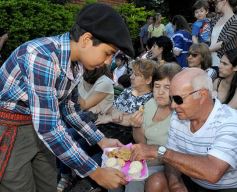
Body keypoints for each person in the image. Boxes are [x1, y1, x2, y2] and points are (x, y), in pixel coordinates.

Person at [0, 3, 135, 192]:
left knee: (47, 183)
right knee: (19, 186)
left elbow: (70, 109)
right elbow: (49, 128)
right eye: (108, 53)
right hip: (10, 127)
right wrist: (95, 172)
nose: (107, 62)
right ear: (87, 40)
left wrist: (101, 141)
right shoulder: (41, 57)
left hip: (39, 123)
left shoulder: (76, 64)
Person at [131, 68, 237, 191]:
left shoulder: (230, 121)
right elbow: (171, 161)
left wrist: (160, 151)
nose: (173, 105)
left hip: (225, 187)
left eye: (178, 99)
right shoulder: (178, 117)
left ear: (202, 95)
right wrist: (175, 183)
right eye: (172, 99)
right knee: (156, 181)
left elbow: (213, 172)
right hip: (192, 179)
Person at [121, 63, 181, 192]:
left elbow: (177, 155)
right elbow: (141, 142)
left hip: (166, 164)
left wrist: (144, 160)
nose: (160, 92)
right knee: (115, 172)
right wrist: (136, 126)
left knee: (133, 181)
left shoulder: (180, 113)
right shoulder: (150, 104)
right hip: (146, 159)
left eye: (167, 87)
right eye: (157, 86)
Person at [209, 0, 237, 66]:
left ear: (224, 1)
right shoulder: (215, 19)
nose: (215, 5)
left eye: (216, 2)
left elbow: (223, 43)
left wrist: (204, 51)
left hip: (225, 62)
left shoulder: (235, 20)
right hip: (210, 59)